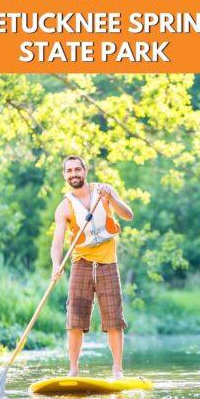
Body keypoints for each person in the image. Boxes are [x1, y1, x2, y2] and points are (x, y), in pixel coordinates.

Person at [51, 155, 134, 378]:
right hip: (81, 264)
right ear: (64, 175)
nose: (74, 174)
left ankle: (117, 370)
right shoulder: (64, 208)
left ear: (85, 171)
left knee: (114, 320)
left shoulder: (104, 191)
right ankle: (74, 371)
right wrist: (56, 265)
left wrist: (112, 198)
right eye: (69, 171)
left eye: (77, 170)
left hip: (108, 263)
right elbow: (57, 242)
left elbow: (128, 215)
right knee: (75, 320)